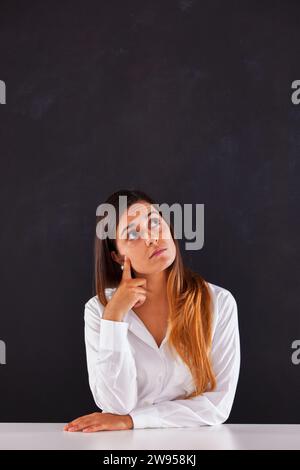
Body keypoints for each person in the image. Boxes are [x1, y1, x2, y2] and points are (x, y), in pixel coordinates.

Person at [64, 189, 240, 432]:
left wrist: (132, 420)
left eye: (154, 222)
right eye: (132, 234)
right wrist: (114, 318)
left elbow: (217, 405)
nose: (151, 238)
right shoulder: (99, 310)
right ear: (116, 256)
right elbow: (115, 405)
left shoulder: (218, 303)